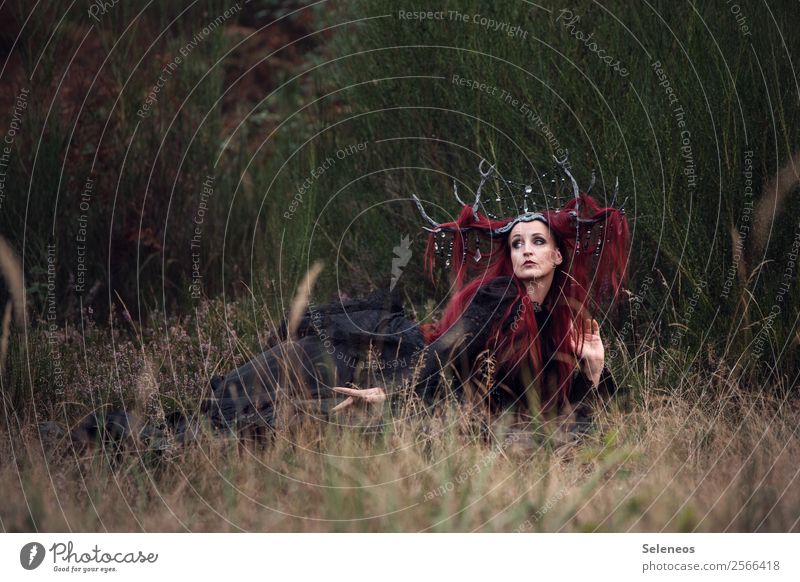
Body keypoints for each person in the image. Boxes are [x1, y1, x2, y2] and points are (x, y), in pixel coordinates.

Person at [68, 160, 629, 449]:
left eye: (537, 242)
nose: (527, 251)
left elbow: (559, 409)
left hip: (411, 393)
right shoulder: (498, 293)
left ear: (558, 254)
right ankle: (108, 432)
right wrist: (393, 392)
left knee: (265, 427)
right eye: (516, 243)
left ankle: (122, 437)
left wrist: (595, 370)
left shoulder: (569, 322)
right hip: (387, 362)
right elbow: (449, 351)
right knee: (247, 399)